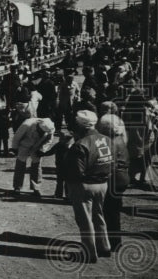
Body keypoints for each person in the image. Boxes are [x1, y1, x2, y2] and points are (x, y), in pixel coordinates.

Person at [61, 111, 113, 264]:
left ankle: (89, 252)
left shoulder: (80, 144)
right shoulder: (107, 139)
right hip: (102, 183)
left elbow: (76, 171)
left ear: (80, 125)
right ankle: (104, 246)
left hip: (84, 185)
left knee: (85, 220)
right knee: (98, 215)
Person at [97, 113, 130, 251]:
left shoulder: (108, 142)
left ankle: (110, 242)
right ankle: (115, 241)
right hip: (122, 178)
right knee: (114, 211)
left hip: (113, 179)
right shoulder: (121, 139)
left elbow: (107, 163)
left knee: (108, 212)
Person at [11, 116, 55, 199]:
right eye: (41, 131)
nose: (42, 132)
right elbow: (17, 136)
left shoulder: (50, 128)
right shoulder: (27, 124)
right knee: (20, 164)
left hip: (37, 146)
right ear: (38, 126)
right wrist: (14, 148)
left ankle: (36, 188)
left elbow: (49, 140)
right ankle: (17, 186)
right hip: (24, 145)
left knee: (37, 166)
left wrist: (42, 149)